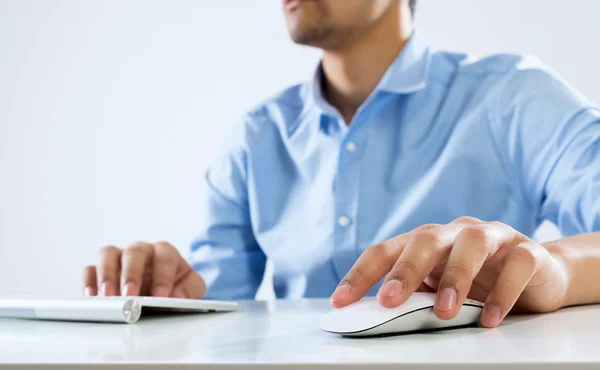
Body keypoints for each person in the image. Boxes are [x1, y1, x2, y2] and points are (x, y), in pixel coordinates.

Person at [82, 0, 600, 328]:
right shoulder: (256, 134)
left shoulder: (514, 97)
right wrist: (168, 293)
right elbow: (215, 300)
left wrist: (551, 269)